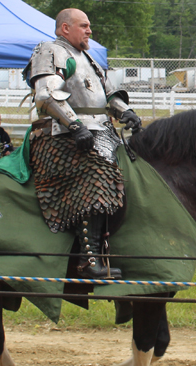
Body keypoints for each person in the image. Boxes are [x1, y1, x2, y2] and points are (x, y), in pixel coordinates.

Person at [23, 8, 142, 279]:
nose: (89, 31)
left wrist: (126, 113)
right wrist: (74, 125)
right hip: (60, 136)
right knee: (97, 178)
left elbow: (107, 96)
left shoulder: (88, 56)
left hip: (100, 132)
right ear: (65, 28)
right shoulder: (50, 50)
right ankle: (88, 261)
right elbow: (46, 95)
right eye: (84, 26)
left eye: (89, 26)